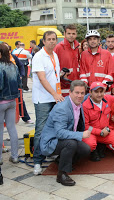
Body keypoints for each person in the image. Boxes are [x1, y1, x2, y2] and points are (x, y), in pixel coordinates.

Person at [39, 80, 91, 186]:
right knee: (71, 144)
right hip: (51, 142)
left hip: (65, 138)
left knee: (86, 149)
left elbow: (92, 95)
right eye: (77, 92)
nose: (80, 96)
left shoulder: (78, 101)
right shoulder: (62, 108)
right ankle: (61, 174)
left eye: (82, 93)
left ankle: (61, 161)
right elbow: (60, 133)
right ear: (70, 92)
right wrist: (80, 135)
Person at [32, 30, 64, 175]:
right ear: (43, 41)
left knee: (53, 127)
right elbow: (42, 78)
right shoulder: (39, 56)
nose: (52, 41)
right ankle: (37, 161)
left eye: (54, 39)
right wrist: (54, 94)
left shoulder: (54, 55)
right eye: (49, 39)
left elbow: (54, 76)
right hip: (43, 99)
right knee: (41, 129)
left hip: (54, 97)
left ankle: (49, 151)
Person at [82, 82, 114, 161]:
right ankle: (94, 150)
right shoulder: (85, 106)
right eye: (96, 92)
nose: (99, 94)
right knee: (89, 145)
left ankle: (102, 145)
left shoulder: (107, 99)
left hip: (105, 131)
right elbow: (86, 126)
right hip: (91, 133)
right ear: (90, 92)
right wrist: (100, 132)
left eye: (101, 91)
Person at [0, 43, 22, 166]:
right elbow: (19, 83)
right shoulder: (13, 66)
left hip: (1, 100)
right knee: (12, 128)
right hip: (12, 101)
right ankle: (14, 156)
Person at [54, 24, 80, 97]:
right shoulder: (58, 47)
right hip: (64, 86)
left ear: (76, 34)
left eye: (73, 33)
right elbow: (53, 66)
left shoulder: (77, 47)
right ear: (64, 34)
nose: (71, 35)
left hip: (76, 84)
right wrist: (61, 75)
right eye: (69, 33)